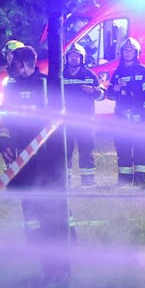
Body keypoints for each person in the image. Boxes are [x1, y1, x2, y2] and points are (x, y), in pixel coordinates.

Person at [0, 42, 67, 281]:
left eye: (14, 63)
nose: (12, 68)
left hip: (45, 156)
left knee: (49, 200)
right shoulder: (12, 87)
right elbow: (6, 118)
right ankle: (33, 238)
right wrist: (4, 144)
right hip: (21, 154)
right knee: (27, 198)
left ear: (24, 64)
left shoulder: (46, 85)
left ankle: (62, 242)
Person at [105, 37, 145, 187]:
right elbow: (111, 95)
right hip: (122, 120)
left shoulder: (143, 71)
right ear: (121, 53)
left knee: (140, 150)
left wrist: (144, 115)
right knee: (123, 150)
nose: (128, 53)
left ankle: (140, 181)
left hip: (139, 119)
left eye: (131, 50)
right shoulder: (118, 73)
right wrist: (113, 89)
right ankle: (124, 181)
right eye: (125, 50)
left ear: (136, 53)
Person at [59, 45, 102, 187]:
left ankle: (88, 182)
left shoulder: (89, 75)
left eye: (77, 56)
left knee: (86, 153)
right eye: (71, 55)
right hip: (66, 122)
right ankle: (65, 183)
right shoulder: (60, 75)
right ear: (67, 58)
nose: (74, 58)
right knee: (64, 153)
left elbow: (103, 95)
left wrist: (94, 91)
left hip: (85, 122)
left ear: (82, 58)